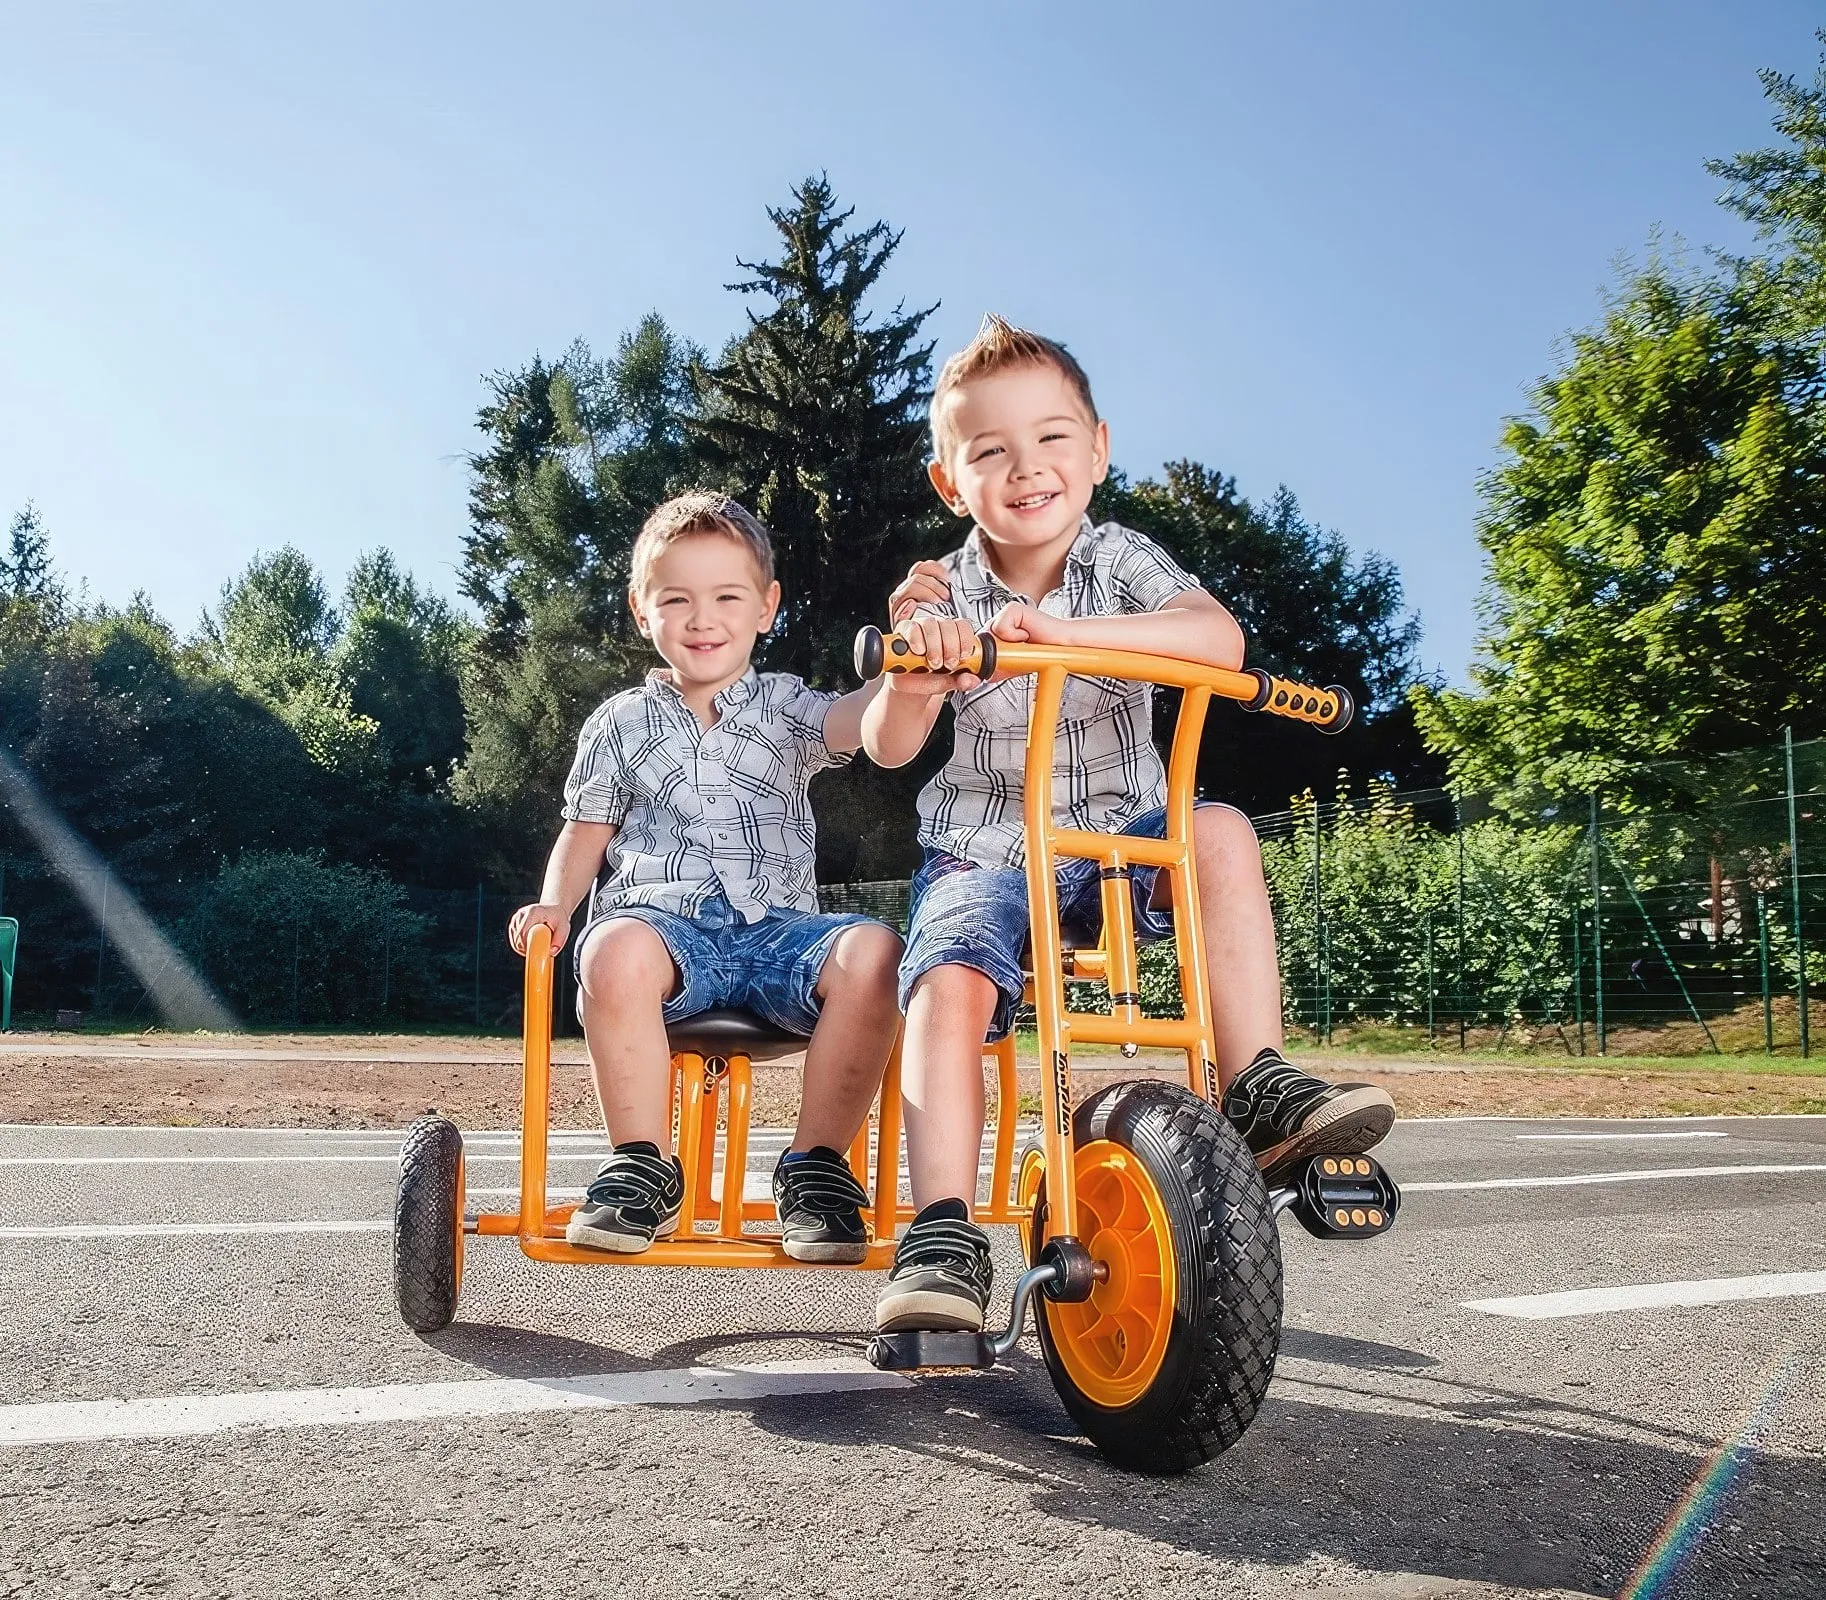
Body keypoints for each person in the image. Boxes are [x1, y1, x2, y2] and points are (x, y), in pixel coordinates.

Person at [861, 315, 1396, 1333]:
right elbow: (888, 745)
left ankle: (1257, 1083)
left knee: (1224, 832)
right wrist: (917, 670)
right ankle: (939, 1229)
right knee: (947, 977)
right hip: (989, 849)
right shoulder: (942, 590)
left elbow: (1214, 635)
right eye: (989, 451)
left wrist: (1060, 634)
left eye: (1052, 437)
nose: (1026, 468)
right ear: (948, 482)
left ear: (1097, 449)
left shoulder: (1116, 559)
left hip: (1122, 838)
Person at [508, 492, 902, 1264]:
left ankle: (816, 1168)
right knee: (608, 948)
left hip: (778, 936)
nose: (702, 618)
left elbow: (859, 719)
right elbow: (587, 832)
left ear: (766, 607)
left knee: (877, 950)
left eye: (727, 596)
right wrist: (555, 903)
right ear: (641, 610)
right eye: (677, 599)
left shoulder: (786, 704)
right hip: (665, 930)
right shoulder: (619, 722)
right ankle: (641, 1168)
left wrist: (903, 671)